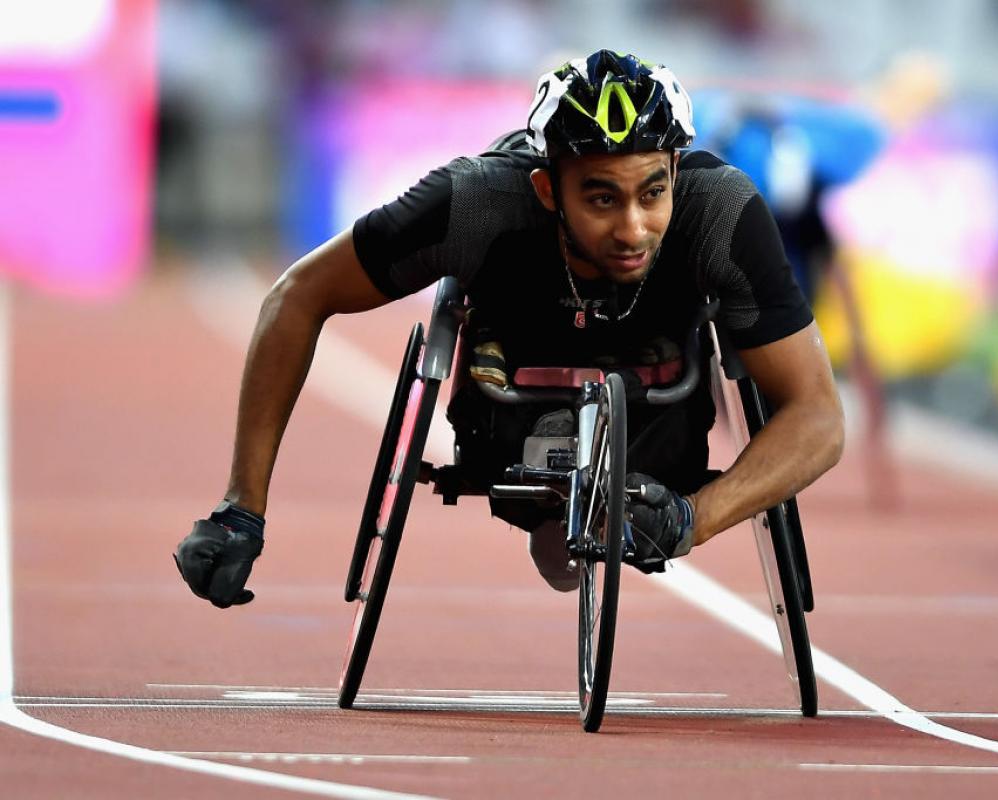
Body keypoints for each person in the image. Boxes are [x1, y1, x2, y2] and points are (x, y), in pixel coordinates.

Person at [174, 49, 844, 606]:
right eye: (601, 197)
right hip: (506, 433)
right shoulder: (474, 205)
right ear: (547, 189)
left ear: (676, 173)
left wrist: (694, 519)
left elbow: (817, 415)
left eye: (653, 191)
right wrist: (242, 510)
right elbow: (296, 296)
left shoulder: (720, 213)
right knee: (554, 538)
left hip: (661, 447)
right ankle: (552, 518)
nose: (634, 228)